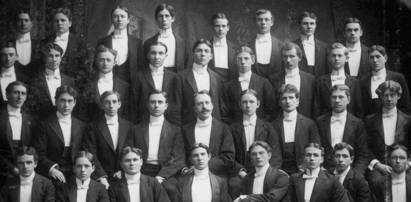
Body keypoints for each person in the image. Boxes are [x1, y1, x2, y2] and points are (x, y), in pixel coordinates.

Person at [125, 90, 184, 198]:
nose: (156, 105)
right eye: (153, 102)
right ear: (148, 105)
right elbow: (127, 152)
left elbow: (178, 158)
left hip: (165, 171)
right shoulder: (136, 129)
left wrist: (161, 177)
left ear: (166, 106)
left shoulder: (175, 130)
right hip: (141, 169)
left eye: (160, 102)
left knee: (170, 189)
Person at [31, 85, 86, 188]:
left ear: (74, 103)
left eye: (70, 101)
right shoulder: (45, 124)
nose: (66, 105)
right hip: (54, 172)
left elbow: (85, 151)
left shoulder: (81, 125)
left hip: (76, 172)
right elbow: (39, 152)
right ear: (56, 101)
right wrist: (51, 169)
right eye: (62, 101)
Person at [229, 90, 280, 198]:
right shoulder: (232, 129)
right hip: (242, 170)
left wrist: (267, 172)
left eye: (251, 102)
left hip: (263, 168)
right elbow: (230, 155)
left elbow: (275, 154)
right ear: (239, 104)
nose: (248, 105)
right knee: (234, 184)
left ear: (258, 104)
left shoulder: (267, 127)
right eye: (244, 102)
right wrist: (241, 172)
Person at [82, 91, 133, 188]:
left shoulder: (129, 126)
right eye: (107, 102)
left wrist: (123, 170)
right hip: (101, 177)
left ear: (119, 104)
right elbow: (91, 153)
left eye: (114, 102)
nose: (111, 106)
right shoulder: (92, 127)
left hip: (124, 175)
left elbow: (130, 151)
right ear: (101, 105)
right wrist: (102, 177)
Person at [316, 84, 369, 175]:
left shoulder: (357, 123)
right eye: (334, 97)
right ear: (330, 100)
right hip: (324, 172)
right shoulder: (320, 121)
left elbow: (362, 155)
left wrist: (355, 177)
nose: (337, 100)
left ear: (348, 99)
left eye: (341, 97)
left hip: (349, 173)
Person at [181, 90, 235, 178]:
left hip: (217, 175)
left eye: (207, 103)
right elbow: (181, 155)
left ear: (212, 106)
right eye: (200, 104)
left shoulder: (223, 128)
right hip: (190, 174)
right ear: (194, 108)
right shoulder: (185, 129)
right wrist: (186, 169)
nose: (204, 107)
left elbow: (228, 157)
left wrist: (203, 166)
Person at [365, 81, 411, 183]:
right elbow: (365, 146)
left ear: (398, 96)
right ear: (380, 97)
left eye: (392, 95)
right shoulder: (370, 120)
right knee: (375, 181)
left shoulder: (408, 120)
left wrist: (407, 165)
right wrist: (377, 164)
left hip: (404, 166)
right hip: (379, 167)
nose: (389, 99)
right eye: (386, 95)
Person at [171, 39, 224, 126]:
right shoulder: (180, 77)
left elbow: (221, 108)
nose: (203, 54)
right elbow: (176, 108)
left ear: (211, 56)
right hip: (188, 127)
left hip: (213, 127)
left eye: (206, 51)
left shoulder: (217, 78)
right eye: (199, 51)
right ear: (192, 54)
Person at [271, 84, 320, 175]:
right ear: (279, 102)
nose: (288, 101)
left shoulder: (309, 124)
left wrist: (303, 169)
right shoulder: (272, 126)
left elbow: (316, 149)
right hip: (279, 171)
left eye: (291, 97)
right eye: (284, 98)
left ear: (297, 101)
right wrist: (278, 171)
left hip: (304, 170)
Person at [221, 46, 276, 126]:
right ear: (236, 61)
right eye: (240, 59)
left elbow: (271, 112)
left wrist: (259, 126)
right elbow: (224, 115)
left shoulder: (264, 83)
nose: (243, 62)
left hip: (260, 130)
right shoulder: (227, 87)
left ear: (253, 60)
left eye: (246, 58)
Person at [81, 45, 130, 122]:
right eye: (102, 60)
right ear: (97, 62)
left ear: (114, 62)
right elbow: (83, 113)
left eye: (108, 60)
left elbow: (126, 113)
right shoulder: (88, 85)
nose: (105, 63)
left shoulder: (124, 86)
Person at [0, 81, 35, 188]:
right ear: (7, 95)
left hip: (24, 172)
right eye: (16, 92)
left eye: (23, 94)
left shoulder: (30, 120)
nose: (20, 97)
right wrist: (12, 169)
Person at [26, 43, 74, 120]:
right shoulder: (35, 82)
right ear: (44, 58)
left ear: (61, 58)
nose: (54, 59)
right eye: (50, 56)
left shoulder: (69, 81)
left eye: (57, 56)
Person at [316, 43, 364, 119]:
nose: (336, 58)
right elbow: (317, 109)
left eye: (340, 55)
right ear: (329, 58)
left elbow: (359, 109)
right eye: (333, 55)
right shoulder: (320, 81)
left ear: (347, 58)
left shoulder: (354, 82)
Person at [96, 6, 144, 82]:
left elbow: (142, 68)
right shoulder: (102, 41)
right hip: (109, 83)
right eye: (116, 17)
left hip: (131, 85)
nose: (119, 20)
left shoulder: (137, 43)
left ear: (128, 20)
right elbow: (96, 66)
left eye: (122, 16)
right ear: (111, 20)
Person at [132, 42, 177, 124]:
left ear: (166, 56)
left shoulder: (174, 77)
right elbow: (134, 104)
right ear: (148, 55)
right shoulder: (139, 76)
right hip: (144, 122)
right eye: (153, 53)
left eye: (160, 53)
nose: (157, 57)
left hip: (168, 122)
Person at [270, 42, 316, 119]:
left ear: (300, 57)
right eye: (285, 56)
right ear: (281, 58)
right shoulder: (274, 79)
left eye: (292, 56)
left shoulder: (310, 79)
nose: (288, 60)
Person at [361, 45, 411, 116]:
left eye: (378, 57)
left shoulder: (398, 78)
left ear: (385, 58)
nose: (375, 60)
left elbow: (405, 105)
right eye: (371, 57)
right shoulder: (363, 82)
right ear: (368, 60)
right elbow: (361, 108)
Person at [41, 8, 88, 79]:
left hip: (72, 85)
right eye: (56, 21)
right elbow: (40, 66)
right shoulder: (45, 42)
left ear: (70, 23)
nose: (59, 23)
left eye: (63, 20)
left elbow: (84, 68)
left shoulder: (79, 43)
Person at [143, 4, 189, 73]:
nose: (164, 19)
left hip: (177, 76)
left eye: (167, 16)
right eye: (160, 16)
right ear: (156, 19)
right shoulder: (148, 43)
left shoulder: (183, 42)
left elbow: (187, 65)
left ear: (173, 19)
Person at [249, 9, 283, 79]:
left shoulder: (281, 46)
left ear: (272, 22)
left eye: (266, 19)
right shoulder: (247, 45)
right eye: (259, 20)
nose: (263, 23)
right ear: (254, 22)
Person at [293, 12, 328, 78]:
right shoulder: (293, 46)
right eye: (305, 23)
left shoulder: (325, 47)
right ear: (299, 25)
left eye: (312, 23)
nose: (309, 26)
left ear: (315, 25)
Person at [208, 13, 237, 82]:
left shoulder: (235, 49)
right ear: (212, 27)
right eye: (217, 26)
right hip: (210, 83)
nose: (220, 29)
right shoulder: (206, 47)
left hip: (229, 84)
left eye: (223, 26)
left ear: (228, 28)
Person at [0, 40, 29, 106]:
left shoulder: (25, 79)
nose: (8, 59)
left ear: (16, 57)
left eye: (11, 55)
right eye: (4, 55)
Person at [14, 10, 40, 77]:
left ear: (31, 24)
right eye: (20, 20)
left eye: (26, 20)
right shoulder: (8, 45)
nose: (23, 24)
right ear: (15, 24)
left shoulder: (39, 44)